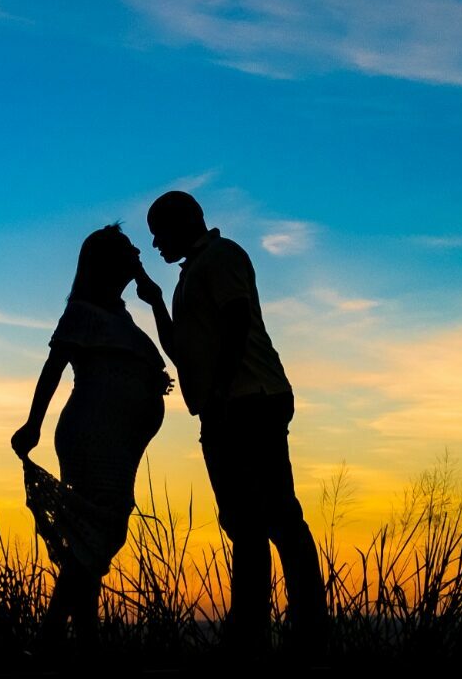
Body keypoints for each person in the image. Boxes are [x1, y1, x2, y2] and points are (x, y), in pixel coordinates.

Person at [140, 189, 326, 653]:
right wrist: (156, 302)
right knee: (247, 522)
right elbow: (181, 351)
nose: (156, 244)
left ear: (184, 223)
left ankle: (299, 631)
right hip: (228, 406)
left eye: (159, 233)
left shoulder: (221, 256)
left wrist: (221, 394)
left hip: (249, 401)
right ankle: (257, 633)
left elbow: (238, 319)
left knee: (276, 516)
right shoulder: (190, 276)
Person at [11, 223, 172, 651]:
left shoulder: (121, 315)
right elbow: (53, 368)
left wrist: (151, 294)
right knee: (97, 532)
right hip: (92, 436)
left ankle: (81, 641)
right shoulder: (82, 311)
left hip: (119, 443)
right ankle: (55, 639)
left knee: (93, 538)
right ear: (107, 262)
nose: (138, 251)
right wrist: (33, 424)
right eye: (128, 248)